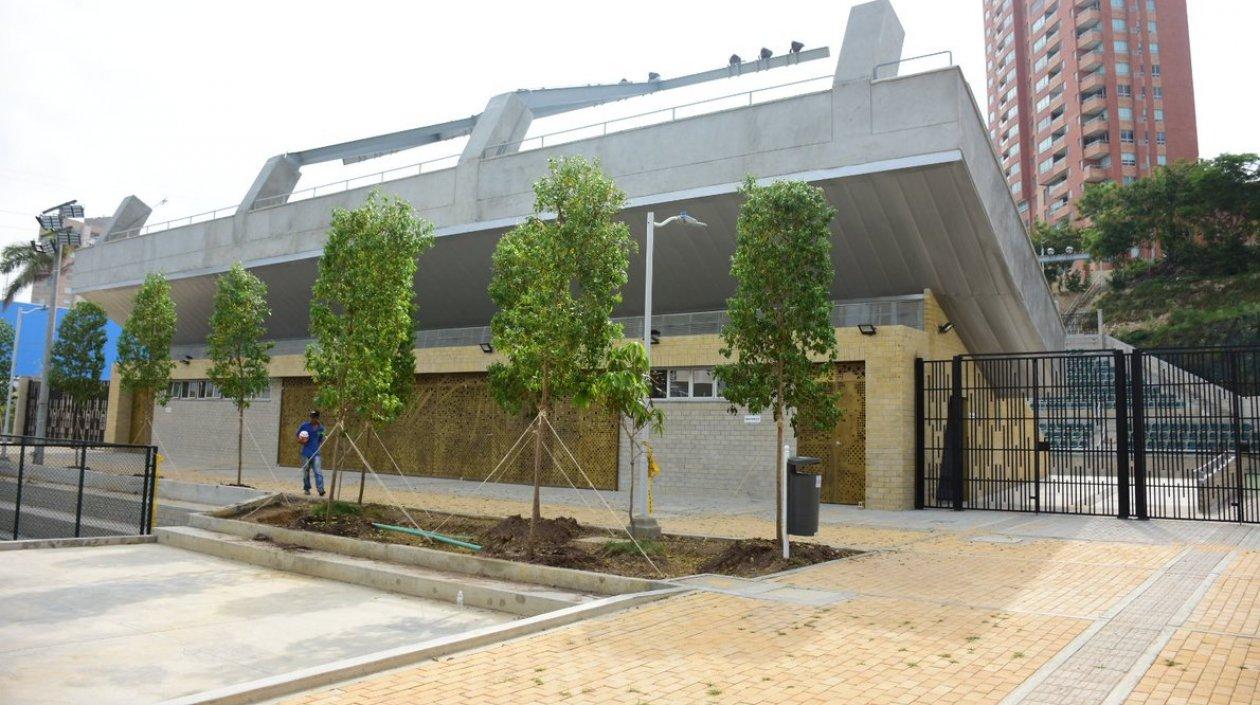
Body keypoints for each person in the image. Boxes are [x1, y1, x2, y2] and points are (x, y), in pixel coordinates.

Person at [296, 410, 326, 496]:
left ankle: (321, 489)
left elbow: (320, 440)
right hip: (305, 453)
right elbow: (298, 438)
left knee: (318, 471)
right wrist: (302, 441)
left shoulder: (321, 428)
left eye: (314, 417)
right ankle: (307, 488)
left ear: (317, 417)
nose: (312, 419)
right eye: (311, 417)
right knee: (306, 471)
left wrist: (317, 446)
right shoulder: (304, 426)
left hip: (316, 453)